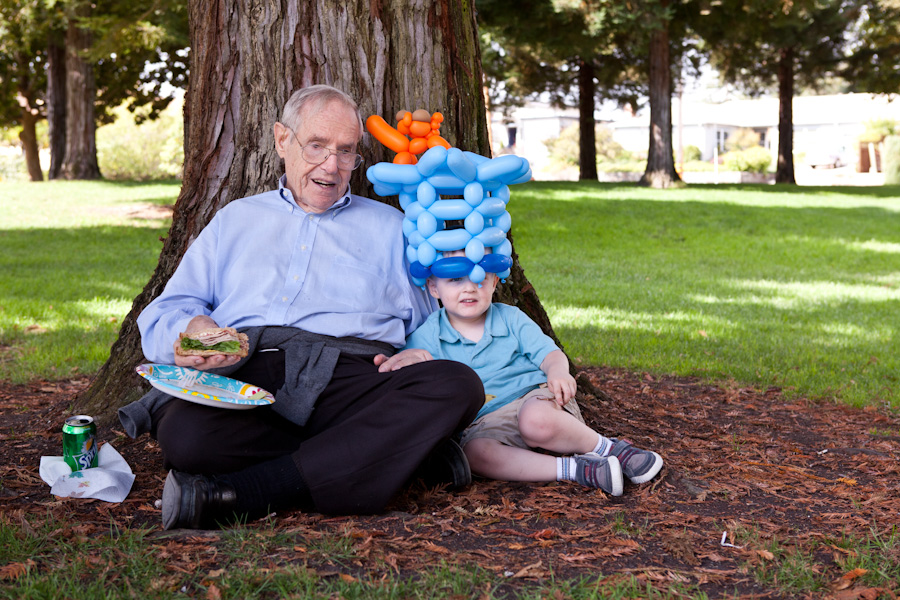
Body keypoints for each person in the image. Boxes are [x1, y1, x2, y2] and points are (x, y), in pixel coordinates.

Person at [118, 85, 484, 530]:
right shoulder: (236, 219)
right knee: (185, 439)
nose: (331, 166)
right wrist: (193, 330)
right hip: (247, 373)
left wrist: (421, 349)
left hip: (354, 379)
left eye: (346, 152)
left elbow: (443, 319)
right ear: (282, 140)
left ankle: (242, 494)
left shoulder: (393, 229)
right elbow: (169, 307)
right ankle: (399, 456)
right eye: (317, 146)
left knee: (455, 385)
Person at [400, 252, 664, 496]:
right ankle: (578, 470)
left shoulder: (510, 318)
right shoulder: (428, 335)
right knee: (475, 453)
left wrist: (558, 372)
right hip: (486, 420)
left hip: (534, 397)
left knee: (535, 420)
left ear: (494, 283)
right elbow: (401, 365)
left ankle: (609, 448)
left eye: (479, 278)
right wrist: (400, 360)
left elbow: (549, 354)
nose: (469, 287)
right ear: (434, 287)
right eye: (455, 279)